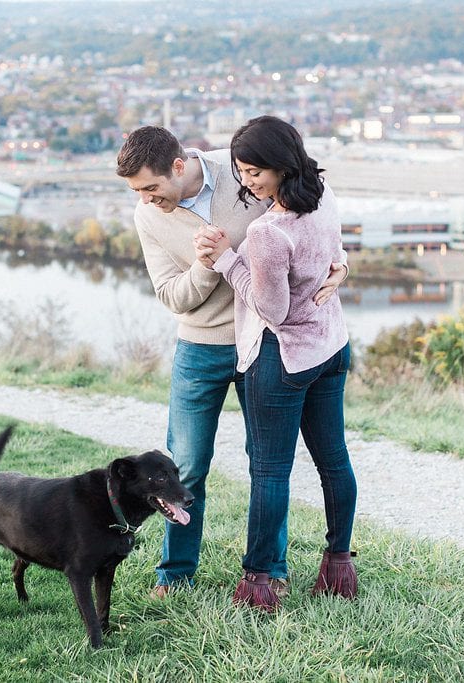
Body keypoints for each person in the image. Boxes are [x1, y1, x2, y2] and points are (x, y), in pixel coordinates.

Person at [115, 126, 347, 598]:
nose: (145, 199)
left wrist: (340, 261)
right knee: (186, 464)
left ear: (178, 166)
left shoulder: (243, 169)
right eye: (137, 192)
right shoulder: (149, 216)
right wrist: (206, 264)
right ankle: (175, 571)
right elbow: (172, 296)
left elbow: (311, 205)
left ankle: (270, 571)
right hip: (199, 348)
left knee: (265, 463)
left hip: (262, 343)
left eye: (151, 188)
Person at [194, 115, 358, 611]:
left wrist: (226, 258)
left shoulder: (268, 231)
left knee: (269, 470)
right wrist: (343, 268)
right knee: (334, 460)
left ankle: (258, 582)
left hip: (283, 358)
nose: (247, 182)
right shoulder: (322, 193)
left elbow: (273, 311)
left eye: (254, 172)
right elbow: (333, 254)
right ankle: (339, 568)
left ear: (281, 164)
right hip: (331, 346)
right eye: (241, 172)